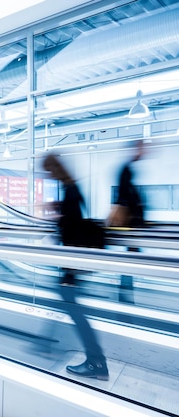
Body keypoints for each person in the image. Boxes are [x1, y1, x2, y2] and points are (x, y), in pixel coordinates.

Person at [42, 153, 109, 381]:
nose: (47, 175)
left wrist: (55, 213)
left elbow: (72, 226)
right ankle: (45, 342)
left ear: (55, 168)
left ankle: (96, 362)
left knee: (77, 313)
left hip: (71, 263)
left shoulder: (70, 189)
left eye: (48, 170)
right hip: (71, 262)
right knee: (69, 305)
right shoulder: (71, 188)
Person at [114, 140, 146, 303]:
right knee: (131, 255)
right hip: (131, 223)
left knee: (131, 255)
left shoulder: (126, 169)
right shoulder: (125, 170)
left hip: (132, 222)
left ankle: (126, 290)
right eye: (141, 148)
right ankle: (126, 291)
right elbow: (124, 197)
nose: (144, 151)